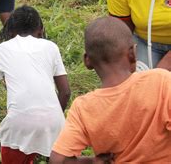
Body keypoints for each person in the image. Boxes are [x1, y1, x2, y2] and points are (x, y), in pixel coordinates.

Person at [50, 17, 171, 163]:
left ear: (87, 61)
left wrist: (92, 162)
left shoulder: (83, 108)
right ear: (132, 53)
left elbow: (57, 160)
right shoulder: (161, 81)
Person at [0, 6, 71, 163]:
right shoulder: (51, 47)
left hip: (20, 121)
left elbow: (13, 89)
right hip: (54, 120)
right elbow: (65, 92)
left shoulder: (2, 49)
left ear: (10, 31)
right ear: (40, 30)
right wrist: (51, 117)